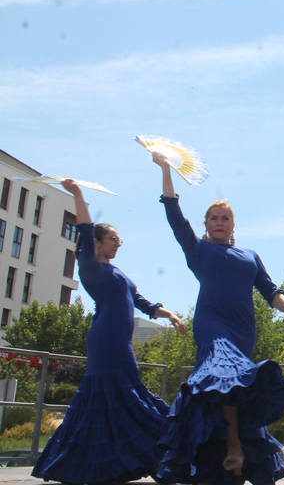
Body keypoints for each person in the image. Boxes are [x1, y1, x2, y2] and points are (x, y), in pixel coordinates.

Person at [151, 152, 284, 484]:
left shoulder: (249, 256)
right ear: (205, 224)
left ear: (233, 225)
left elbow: (270, 290)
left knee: (228, 389)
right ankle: (234, 445)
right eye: (213, 218)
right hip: (211, 327)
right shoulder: (198, 251)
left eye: (225, 219)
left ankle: (221, 460)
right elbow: (175, 216)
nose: (219, 223)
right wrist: (166, 170)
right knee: (222, 373)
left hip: (243, 329)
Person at [32, 180, 186, 485]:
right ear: (99, 242)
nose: (117, 243)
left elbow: (140, 302)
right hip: (107, 342)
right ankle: (154, 458)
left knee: (123, 398)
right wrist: (78, 195)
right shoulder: (89, 267)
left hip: (117, 341)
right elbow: (84, 229)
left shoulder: (119, 274)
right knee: (122, 398)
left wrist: (167, 313)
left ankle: (132, 461)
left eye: (119, 240)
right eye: (113, 238)